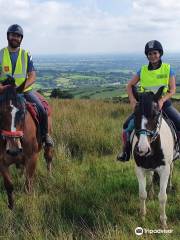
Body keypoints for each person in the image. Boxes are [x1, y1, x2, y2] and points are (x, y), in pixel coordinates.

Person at [117, 40, 180, 161]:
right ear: (147, 55)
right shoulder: (142, 70)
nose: (152, 56)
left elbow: (172, 89)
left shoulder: (168, 69)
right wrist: (133, 101)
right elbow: (129, 85)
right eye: (149, 54)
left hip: (163, 104)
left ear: (160, 54)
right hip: (145, 105)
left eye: (155, 53)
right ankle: (126, 152)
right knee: (127, 127)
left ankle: (176, 150)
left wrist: (162, 100)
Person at [0, 24, 54, 147]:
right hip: (4, 91)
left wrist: (21, 88)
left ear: (21, 39)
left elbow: (32, 76)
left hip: (23, 91)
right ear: (8, 36)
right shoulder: (0, 54)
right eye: (13, 35)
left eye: (18, 36)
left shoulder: (26, 54)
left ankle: (45, 136)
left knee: (41, 109)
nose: (15, 38)